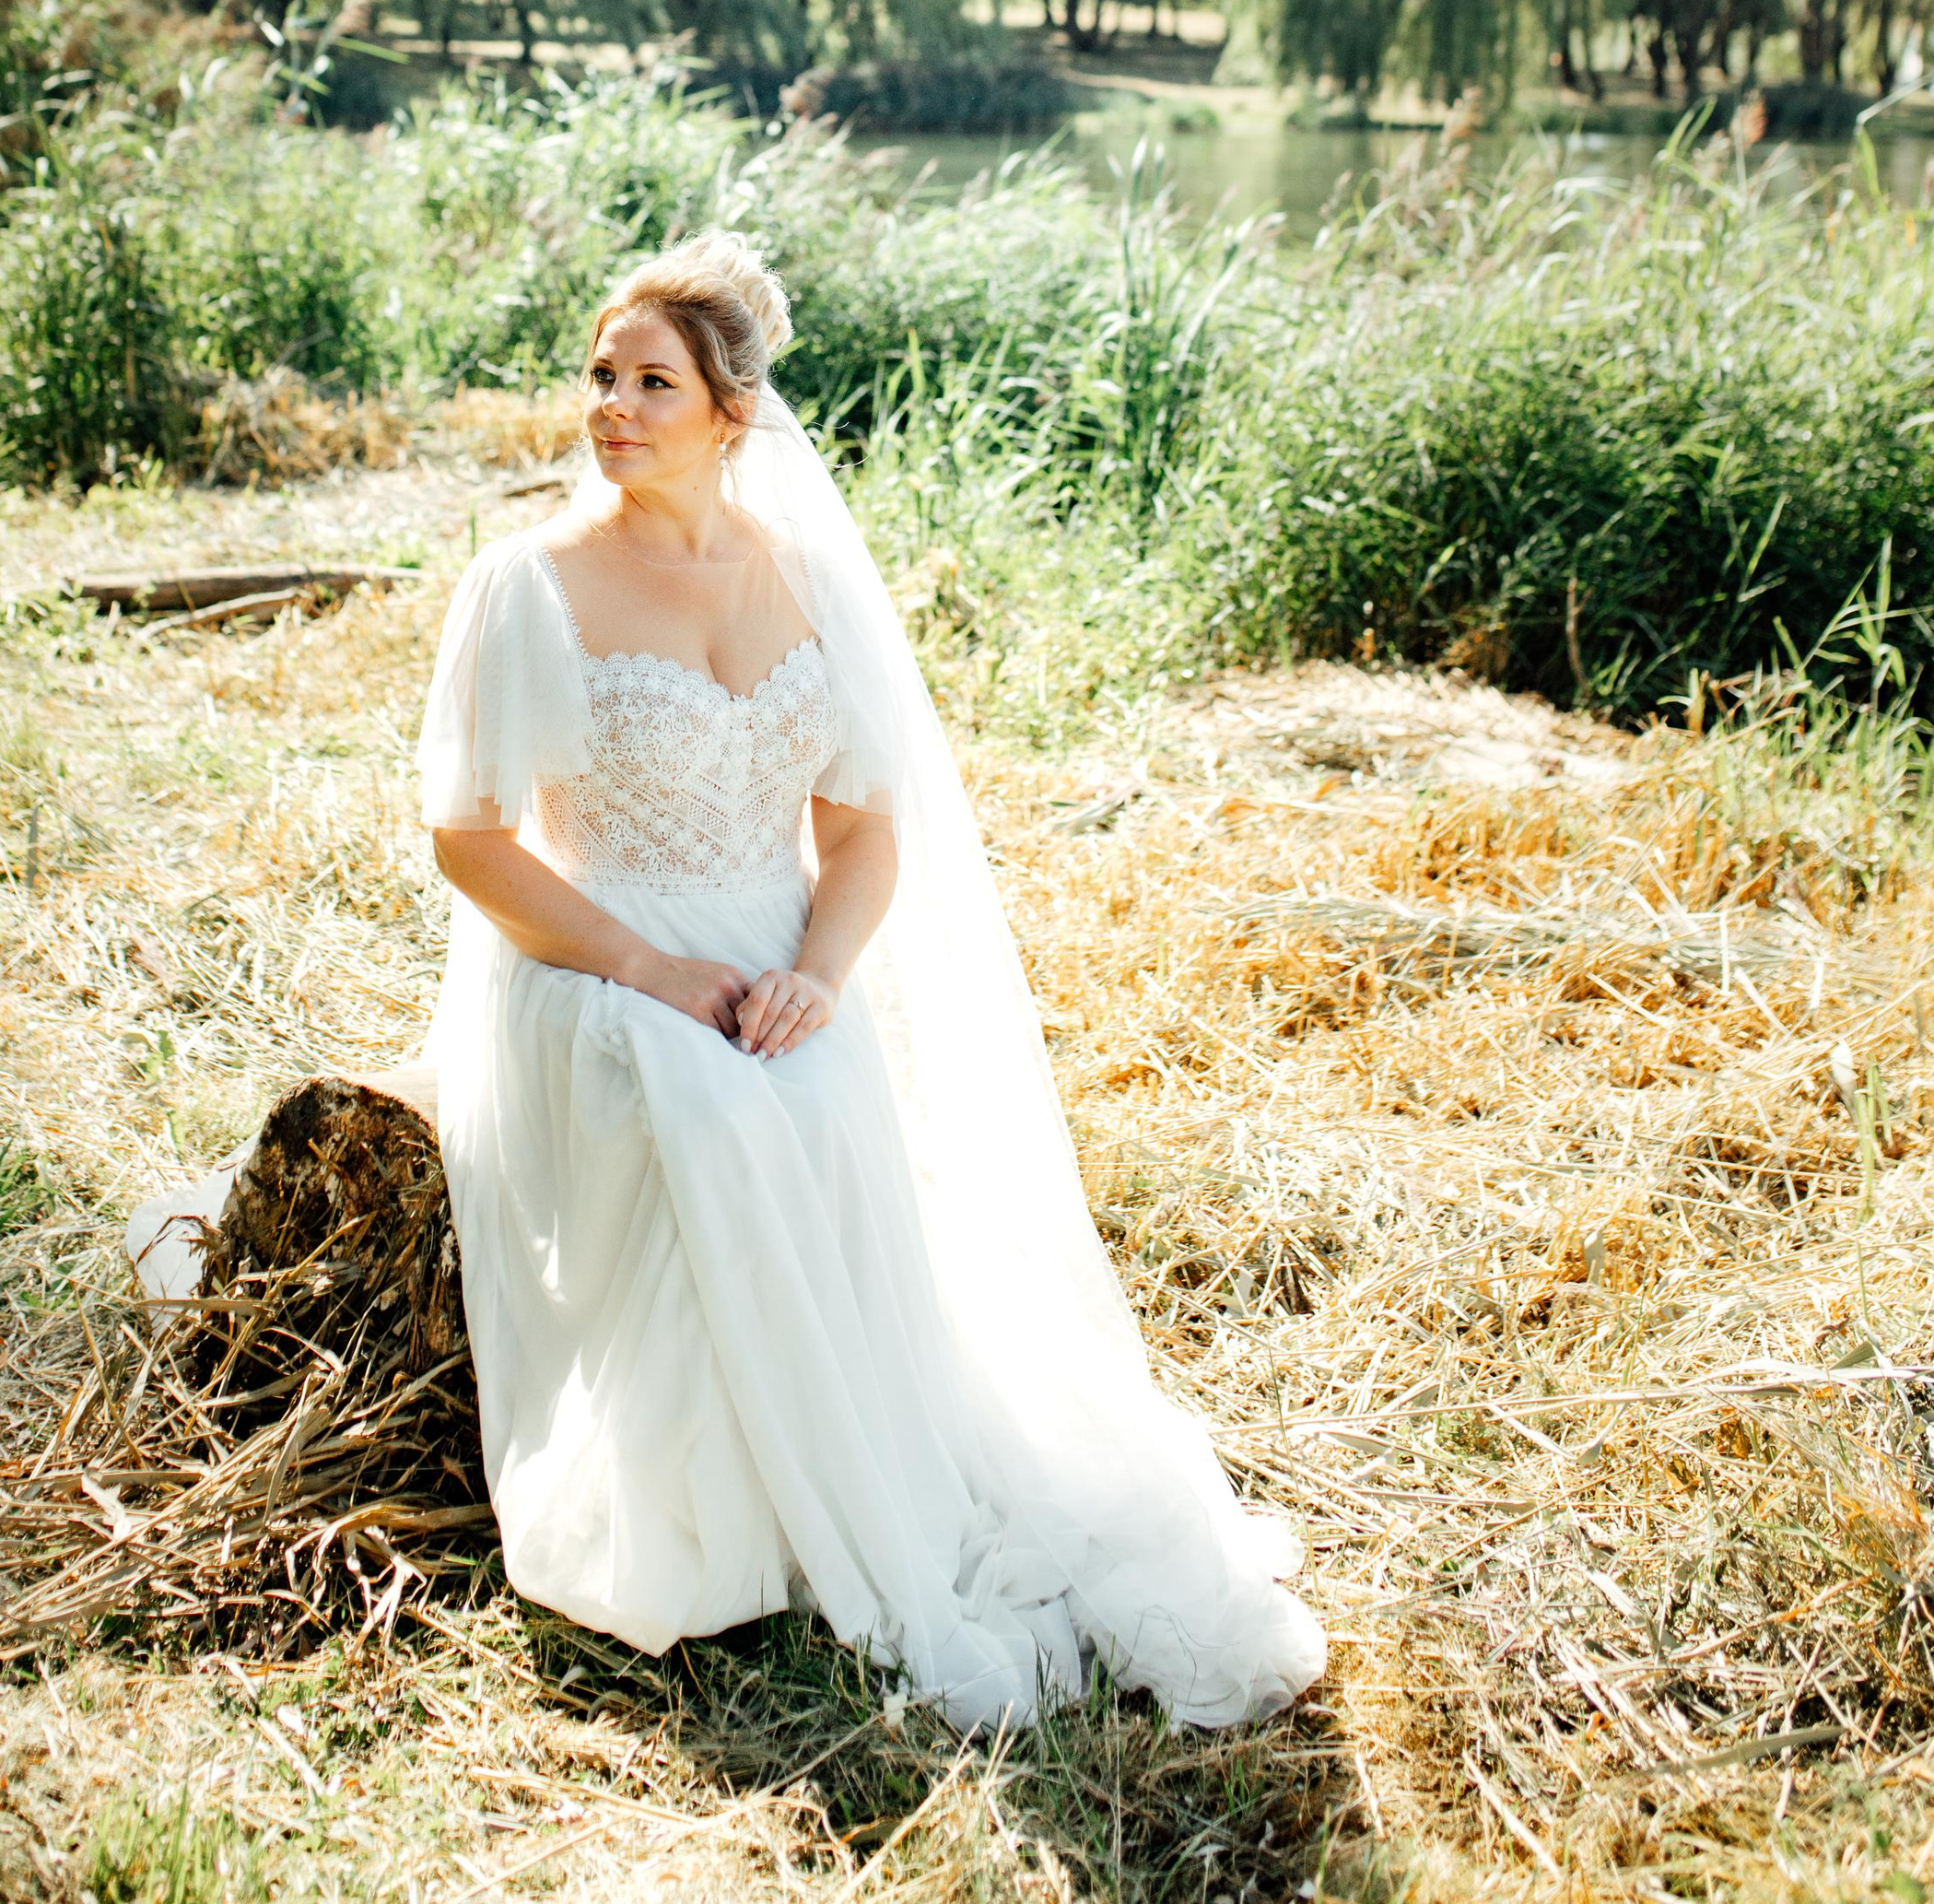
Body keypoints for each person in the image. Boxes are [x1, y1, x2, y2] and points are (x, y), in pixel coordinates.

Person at [418, 229, 1323, 1731]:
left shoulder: (812, 585)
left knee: (822, 1088)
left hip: (776, 963)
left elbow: (860, 835)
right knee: (709, 1112)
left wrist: (820, 977)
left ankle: (868, 1472)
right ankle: (724, 1521)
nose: (612, 408)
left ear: (731, 412)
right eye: (600, 376)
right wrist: (653, 971)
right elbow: (469, 844)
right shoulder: (529, 586)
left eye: (653, 381)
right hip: (591, 962)